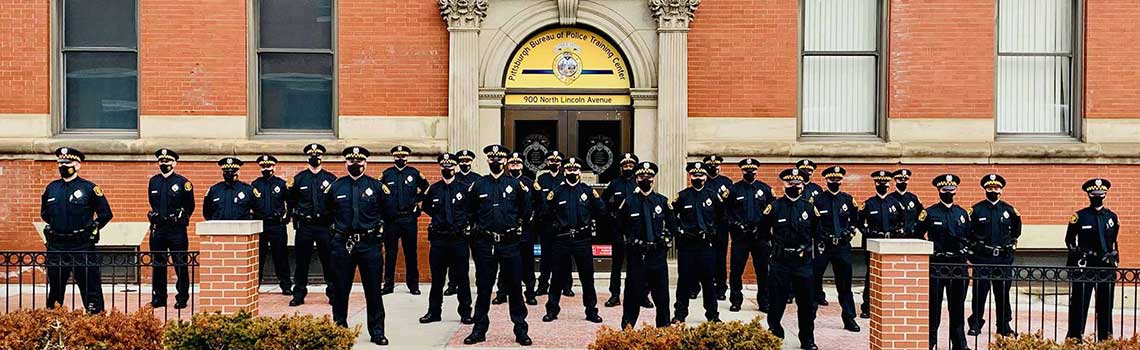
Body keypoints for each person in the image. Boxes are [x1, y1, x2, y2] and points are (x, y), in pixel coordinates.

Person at [464, 145, 532, 346]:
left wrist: (516, 230)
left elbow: (526, 212)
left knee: (515, 289)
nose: (496, 161)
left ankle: (521, 330)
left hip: (510, 244)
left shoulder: (516, 185)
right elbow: (470, 212)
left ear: (505, 161)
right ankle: (479, 329)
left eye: (499, 158)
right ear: (488, 160)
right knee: (484, 288)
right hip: (486, 244)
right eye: (492, 158)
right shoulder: (478, 185)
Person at [324, 146, 391, 346]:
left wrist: (379, 237)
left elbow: (389, 214)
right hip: (343, 244)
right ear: (346, 163)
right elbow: (326, 214)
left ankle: (377, 331)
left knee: (373, 291)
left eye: (359, 161)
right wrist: (335, 237)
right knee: (339, 289)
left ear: (365, 163)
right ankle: (339, 328)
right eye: (351, 161)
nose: (355, 164)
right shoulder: (336, 187)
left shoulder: (377, 187)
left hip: (369, 245)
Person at [42, 147, 111, 314]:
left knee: (89, 284)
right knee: (56, 286)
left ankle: (95, 319)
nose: (63, 166)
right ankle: (54, 319)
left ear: (78, 165)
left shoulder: (89, 188)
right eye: (60, 162)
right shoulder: (52, 188)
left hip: (81, 245)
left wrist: (92, 228)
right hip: (57, 245)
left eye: (68, 162)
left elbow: (105, 214)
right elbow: (45, 214)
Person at [541, 157, 605, 323]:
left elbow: (601, 211)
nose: (572, 172)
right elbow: (545, 213)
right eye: (569, 170)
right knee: (557, 277)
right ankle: (552, 310)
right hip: (561, 240)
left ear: (579, 172)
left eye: (575, 170)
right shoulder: (556, 192)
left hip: (582, 240)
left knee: (587, 278)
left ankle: (591, 311)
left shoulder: (587, 191)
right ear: (565, 171)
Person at [761, 168, 820, 350]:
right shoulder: (775, 207)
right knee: (776, 302)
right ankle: (776, 334)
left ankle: (807, 339)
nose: (794, 186)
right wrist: (773, 248)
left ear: (803, 185)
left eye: (798, 184)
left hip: (803, 264)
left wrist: (809, 249)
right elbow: (762, 233)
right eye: (790, 184)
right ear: (783, 185)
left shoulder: (809, 208)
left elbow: (818, 234)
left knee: (807, 305)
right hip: (781, 263)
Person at [617, 161, 678, 329]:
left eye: (649, 177)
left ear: (653, 179)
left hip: (657, 256)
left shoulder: (662, 202)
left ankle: (664, 328)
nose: (646, 179)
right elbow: (620, 227)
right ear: (636, 179)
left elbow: (672, 227)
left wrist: (665, 241)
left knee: (662, 296)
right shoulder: (628, 202)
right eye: (642, 176)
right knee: (632, 294)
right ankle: (627, 328)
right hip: (637, 256)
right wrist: (630, 241)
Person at [916, 174, 971, 350]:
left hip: (957, 266)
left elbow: (969, 237)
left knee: (957, 308)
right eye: (944, 190)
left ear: (955, 191)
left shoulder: (962, 213)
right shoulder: (929, 213)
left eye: (951, 190)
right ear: (939, 191)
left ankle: (960, 345)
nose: (948, 193)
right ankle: (930, 342)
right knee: (934, 307)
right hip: (937, 265)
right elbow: (917, 235)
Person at [419, 153, 474, 325]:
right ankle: (434, 312)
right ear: (440, 167)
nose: (447, 169)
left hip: (458, 240)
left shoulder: (465, 189)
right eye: (444, 166)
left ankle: (465, 312)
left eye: (450, 166)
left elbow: (471, 210)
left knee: (462, 278)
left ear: (455, 167)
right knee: (437, 279)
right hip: (439, 240)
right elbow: (427, 207)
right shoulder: (433, 189)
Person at [966, 174, 1022, 337]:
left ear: (1001, 190)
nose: (993, 191)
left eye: (996, 188)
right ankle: (976, 323)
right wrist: (973, 254)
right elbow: (968, 233)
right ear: (985, 189)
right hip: (983, 257)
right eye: (990, 188)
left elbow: (1016, 232)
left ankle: (1003, 326)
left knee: (1003, 293)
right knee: (980, 293)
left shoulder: (1009, 210)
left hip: (1003, 259)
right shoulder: (976, 210)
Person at [1065, 178, 1120, 341]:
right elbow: (1069, 240)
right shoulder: (1079, 216)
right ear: (1089, 195)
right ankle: (1075, 338)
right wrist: (1076, 260)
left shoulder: (1112, 217)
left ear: (1104, 195)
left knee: (1105, 305)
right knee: (1079, 304)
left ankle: (1105, 339)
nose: (1097, 196)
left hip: (1105, 267)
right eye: (1094, 194)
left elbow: (1114, 240)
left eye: (1100, 194)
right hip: (1086, 265)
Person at [671, 161, 722, 323]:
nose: (697, 177)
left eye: (700, 175)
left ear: (706, 176)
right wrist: (679, 233)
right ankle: (680, 314)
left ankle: (713, 315)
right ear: (690, 176)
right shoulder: (682, 196)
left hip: (706, 246)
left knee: (708, 282)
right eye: (694, 175)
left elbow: (722, 218)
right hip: (687, 246)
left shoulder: (713, 196)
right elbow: (672, 218)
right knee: (684, 281)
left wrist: (714, 234)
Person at [287, 143, 338, 306]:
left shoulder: (330, 179)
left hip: (324, 226)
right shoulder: (299, 179)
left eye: (318, 155)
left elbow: (335, 203)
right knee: (302, 262)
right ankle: (299, 294)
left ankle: (333, 293)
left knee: (329, 261)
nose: (315, 158)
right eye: (312, 155)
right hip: (305, 226)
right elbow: (291, 201)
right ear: (308, 157)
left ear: (322, 157)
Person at [810, 166, 859, 332]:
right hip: (823, 246)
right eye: (832, 180)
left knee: (845, 284)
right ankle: (810, 316)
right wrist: (820, 235)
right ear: (826, 180)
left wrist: (849, 233)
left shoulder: (847, 200)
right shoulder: (817, 200)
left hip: (842, 247)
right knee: (814, 280)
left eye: (838, 180)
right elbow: (812, 223)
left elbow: (855, 220)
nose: (835, 182)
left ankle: (849, 318)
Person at [147, 148, 194, 309]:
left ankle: (182, 297)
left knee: (180, 264)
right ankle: (159, 298)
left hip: (176, 230)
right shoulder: (154, 181)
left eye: (167, 161)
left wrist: (182, 218)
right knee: (158, 264)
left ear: (174, 163)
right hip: (158, 229)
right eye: (161, 161)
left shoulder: (183, 183)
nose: (164, 163)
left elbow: (190, 205)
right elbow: (152, 203)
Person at [726, 158, 775, 313]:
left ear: (756, 171)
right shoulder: (734, 190)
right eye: (747, 171)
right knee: (736, 270)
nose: (750, 173)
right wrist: (735, 226)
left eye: (752, 171)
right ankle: (736, 300)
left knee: (762, 270)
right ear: (743, 171)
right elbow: (726, 213)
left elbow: (773, 211)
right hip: (741, 237)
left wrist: (765, 229)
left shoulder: (765, 189)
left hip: (760, 237)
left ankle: (764, 301)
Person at [601, 153, 648, 308]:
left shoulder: (640, 184)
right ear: (621, 167)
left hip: (637, 231)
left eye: (631, 165)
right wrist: (611, 219)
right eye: (625, 166)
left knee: (638, 265)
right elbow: (603, 204)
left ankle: (642, 295)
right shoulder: (614, 184)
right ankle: (615, 295)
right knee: (617, 265)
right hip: (619, 231)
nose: (628, 168)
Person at [493, 152, 540, 305]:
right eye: (512, 163)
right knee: (505, 263)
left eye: (517, 163)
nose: (515, 166)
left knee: (527, 263)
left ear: (522, 165)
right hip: (507, 230)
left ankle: (530, 293)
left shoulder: (530, 183)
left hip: (525, 230)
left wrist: (533, 219)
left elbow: (540, 203)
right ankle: (502, 292)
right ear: (508, 165)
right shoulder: (502, 182)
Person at [381, 145, 428, 295]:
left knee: (410, 253)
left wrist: (416, 201)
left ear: (407, 157)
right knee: (390, 253)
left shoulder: (413, 173)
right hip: (391, 220)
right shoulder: (387, 175)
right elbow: (380, 194)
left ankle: (413, 285)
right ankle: (388, 285)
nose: (400, 159)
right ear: (393, 157)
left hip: (409, 219)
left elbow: (426, 188)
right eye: (397, 156)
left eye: (403, 156)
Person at [858, 170, 905, 319]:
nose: (883, 185)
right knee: (871, 275)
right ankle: (867, 306)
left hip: (891, 243)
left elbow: (902, 222)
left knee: (893, 274)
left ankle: (892, 305)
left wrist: (898, 232)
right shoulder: (868, 204)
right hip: (874, 243)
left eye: (885, 183)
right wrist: (869, 232)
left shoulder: (895, 204)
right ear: (875, 184)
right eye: (880, 183)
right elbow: (859, 223)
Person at [535, 150, 574, 297]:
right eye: (551, 160)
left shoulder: (566, 179)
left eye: (557, 161)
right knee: (545, 257)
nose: (554, 163)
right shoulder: (541, 179)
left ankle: (567, 286)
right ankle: (543, 285)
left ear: (561, 164)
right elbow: (537, 200)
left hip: (562, 225)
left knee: (565, 257)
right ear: (547, 162)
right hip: (546, 224)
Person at [252, 154, 292, 295]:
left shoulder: (281, 184)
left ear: (274, 167)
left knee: (280, 256)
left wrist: (287, 217)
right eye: (263, 166)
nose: (266, 168)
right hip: (261, 225)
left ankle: (286, 285)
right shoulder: (255, 185)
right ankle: (254, 286)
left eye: (268, 166)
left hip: (277, 225)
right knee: (258, 257)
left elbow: (290, 203)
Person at [444, 149, 480, 296]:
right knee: (455, 257)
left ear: (471, 162)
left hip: (474, 223)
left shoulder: (478, 179)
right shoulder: (454, 178)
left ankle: (479, 283)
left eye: (467, 161)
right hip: (457, 224)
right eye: (462, 161)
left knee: (478, 255)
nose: (465, 163)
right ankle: (453, 285)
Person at [703, 155, 733, 301]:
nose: (714, 168)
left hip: (721, 226)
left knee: (720, 258)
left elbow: (731, 205)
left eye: (716, 165)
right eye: (711, 165)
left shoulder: (727, 183)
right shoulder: (703, 182)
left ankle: (721, 288)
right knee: (702, 257)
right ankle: (697, 288)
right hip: (706, 226)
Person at [889, 169, 923, 239]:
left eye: (905, 180)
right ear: (895, 180)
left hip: (912, 236)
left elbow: (921, 216)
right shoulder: (889, 199)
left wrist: (917, 229)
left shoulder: (913, 198)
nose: (903, 182)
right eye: (900, 180)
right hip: (894, 237)